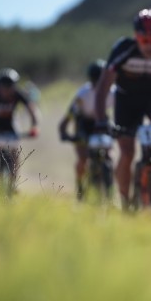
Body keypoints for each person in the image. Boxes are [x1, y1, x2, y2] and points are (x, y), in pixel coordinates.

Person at [94, 8, 151, 212]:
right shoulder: (123, 49)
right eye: (143, 40)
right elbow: (103, 88)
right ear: (135, 36)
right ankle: (125, 201)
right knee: (127, 151)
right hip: (126, 100)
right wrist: (101, 120)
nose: (148, 45)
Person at [59, 60, 115, 199]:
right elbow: (70, 114)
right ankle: (80, 188)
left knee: (108, 157)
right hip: (84, 124)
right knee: (83, 159)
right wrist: (64, 130)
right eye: (97, 80)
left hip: (102, 123)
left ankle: (108, 188)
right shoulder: (83, 94)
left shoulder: (113, 92)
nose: (99, 84)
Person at [0, 67, 40, 178]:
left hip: (9, 127)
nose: (7, 90)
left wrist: (34, 126)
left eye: (10, 86)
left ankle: (13, 182)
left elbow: (31, 109)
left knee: (15, 153)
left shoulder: (17, 94)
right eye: (4, 86)